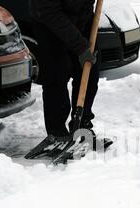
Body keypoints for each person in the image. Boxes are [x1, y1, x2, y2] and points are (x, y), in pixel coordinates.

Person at [29, 0, 99, 138]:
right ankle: (57, 133)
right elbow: (48, 11)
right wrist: (80, 46)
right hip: (48, 23)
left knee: (89, 70)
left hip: (81, 18)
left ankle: (81, 125)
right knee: (57, 74)